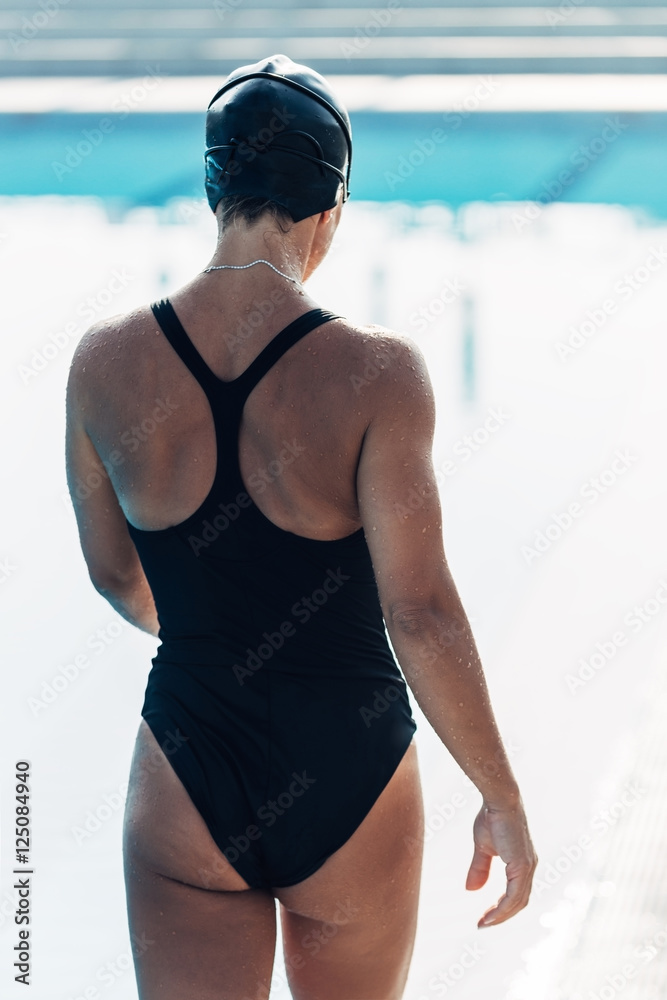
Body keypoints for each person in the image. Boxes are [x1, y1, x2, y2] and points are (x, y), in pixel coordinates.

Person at [65, 54, 537, 1000]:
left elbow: (115, 576)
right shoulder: (378, 375)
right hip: (348, 771)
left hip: (187, 764)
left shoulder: (103, 364)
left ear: (213, 188)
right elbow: (421, 611)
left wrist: (221, 636)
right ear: (329, 208)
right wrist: (501, 794)